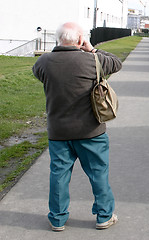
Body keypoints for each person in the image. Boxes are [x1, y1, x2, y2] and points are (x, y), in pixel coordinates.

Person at [32, 22, 122, 231]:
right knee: (98, 173)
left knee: (59, 175)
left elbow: (39, 75)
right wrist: (91, 48)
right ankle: (103, 217)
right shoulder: (93, 61)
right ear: (80, 39)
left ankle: (57, 219)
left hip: (58, 132)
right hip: (91, 132)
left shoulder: (44, 62)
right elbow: (116, 63)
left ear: (59, 38)